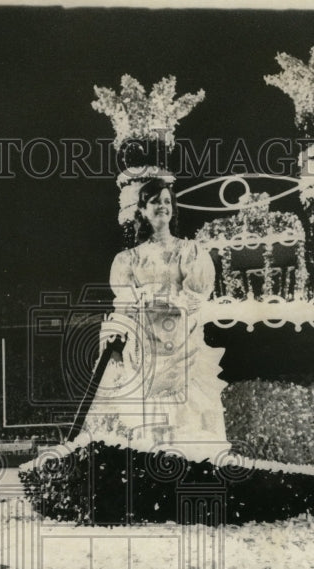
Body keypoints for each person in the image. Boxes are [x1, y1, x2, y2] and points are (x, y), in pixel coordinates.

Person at [86, 177, 228, 456]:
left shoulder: (189, 251)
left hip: (180, 337)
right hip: (144, 345)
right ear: (142, 210)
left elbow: (195, 297)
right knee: (145, 414)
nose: (162, 207)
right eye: (155, 202)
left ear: (173, 209)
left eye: (167, 201)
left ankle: (193, 464)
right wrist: (115, 333)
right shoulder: (128, 259)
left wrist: (159, 301)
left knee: (186, 410)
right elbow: (124, 304)